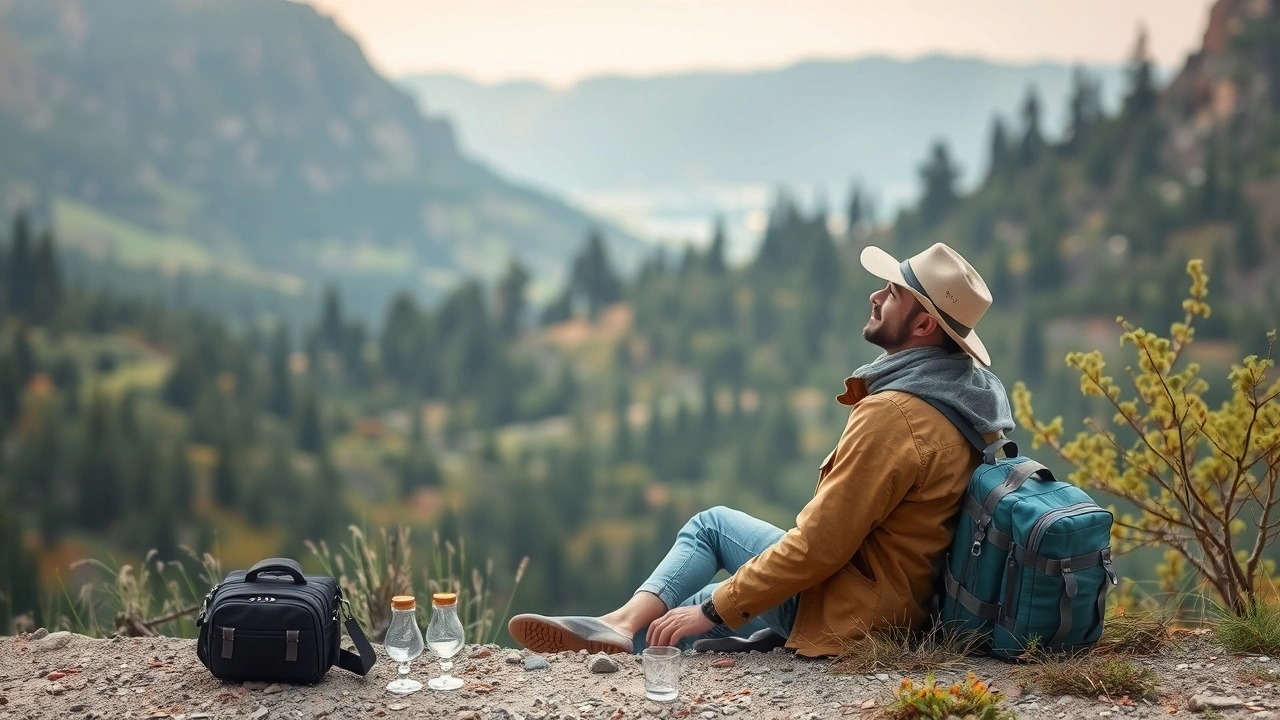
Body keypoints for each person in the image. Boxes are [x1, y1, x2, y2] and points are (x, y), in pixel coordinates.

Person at [508, 242, 1015, 657]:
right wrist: (716, 606)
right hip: (898, 604)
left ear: (924, 326)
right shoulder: (965, 402)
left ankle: (616, 633)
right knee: (698, 602)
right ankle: (618, 640)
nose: (876, 295)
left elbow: (820, 546)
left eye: (893, 293)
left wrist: (714, 610)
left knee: (710, 535)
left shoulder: (895, 416)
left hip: (854, 615)